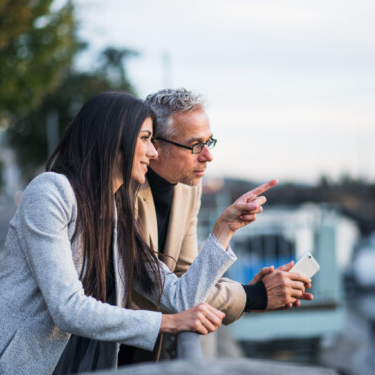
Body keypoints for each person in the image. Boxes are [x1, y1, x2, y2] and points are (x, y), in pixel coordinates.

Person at [0, 92, 275, 374]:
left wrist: (224, 230)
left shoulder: (116, 214)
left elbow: (179, 298)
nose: (153, 152)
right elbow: (67, 308)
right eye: (145, 139)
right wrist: (167, 323)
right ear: (115, 138)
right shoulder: (50, 192)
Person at [120, 88, 313, 362]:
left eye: (209, 143)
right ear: (155, 146)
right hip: (112, 355)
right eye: (195, 145)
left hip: (151, 353)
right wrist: (255, 295)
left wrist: (253, 292)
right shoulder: (120, 198)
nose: (208, 156)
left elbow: (188, 279)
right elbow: (178, 297)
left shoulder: (188, 189)